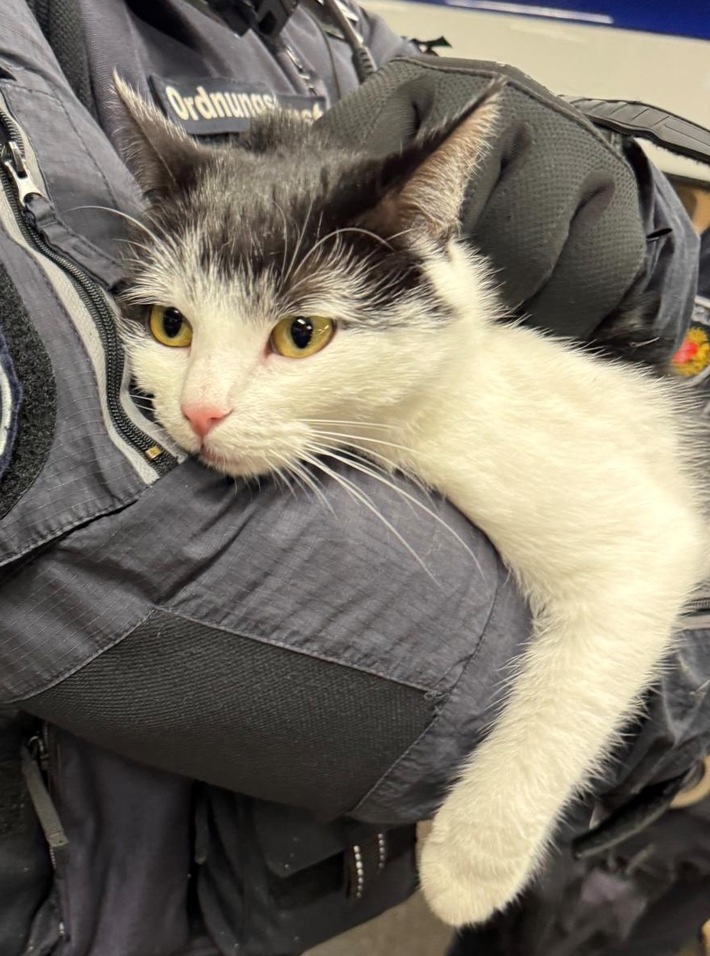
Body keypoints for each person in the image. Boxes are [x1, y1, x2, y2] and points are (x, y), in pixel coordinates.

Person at [0, 1, 707, 954]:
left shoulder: (328, 31)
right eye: (172, 328)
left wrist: (625, 198)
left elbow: (640, 568)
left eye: (298, 334)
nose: (202, 407)